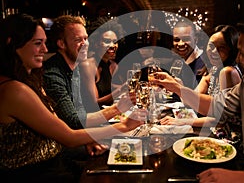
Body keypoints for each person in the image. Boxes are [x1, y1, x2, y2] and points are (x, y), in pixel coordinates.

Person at [151, 14, 244, 182]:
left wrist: (239, 178)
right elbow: (216, 106)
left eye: (242, 54)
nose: (238, 59)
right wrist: (176, 88)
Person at [0, 13, 144, 182]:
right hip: (37, 173)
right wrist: (123, 125)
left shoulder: (32, 79)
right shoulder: (16, 89)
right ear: (12, 44)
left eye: (45, 43)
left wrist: (87, 140)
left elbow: (60, 126)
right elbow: (69, 133)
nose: (45, 50)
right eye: (38, 43)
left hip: (56, 159)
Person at [43, 15, 141, 161]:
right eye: (78, 40)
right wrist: (117, 110)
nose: (85, 44)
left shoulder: (74, 67)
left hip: (78, 138)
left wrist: (90, 138)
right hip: (57, 151)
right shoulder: (53, 73)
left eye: (85, 38)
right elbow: (73, 120)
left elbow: (83, 112)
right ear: (61, 44)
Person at [160, 25, 243, 141]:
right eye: (212, 45)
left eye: (222, 48)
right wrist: (175, 83)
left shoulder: (227, 71)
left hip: (226, 137)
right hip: (213, 131)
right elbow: (191, 103)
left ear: (232, 50)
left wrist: (181, 121)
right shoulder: (214, 69)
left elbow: (219, 119)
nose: (214, 51)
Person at [80, 16, 127, 110]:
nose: (113, 45)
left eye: (115, 42)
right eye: (107, 41)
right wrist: (122, 89)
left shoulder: (113, 66)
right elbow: (93, 103)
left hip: (108, 115)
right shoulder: (87, 65)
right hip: (91, 118)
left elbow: (114, 90)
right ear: (96, 43)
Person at [172, 19, 207, 86]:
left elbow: (199, 95)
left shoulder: (204, 62)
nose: (180, 44)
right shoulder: (179, 61)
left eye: (186, 39)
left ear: (195, 40)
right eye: (177, 40)